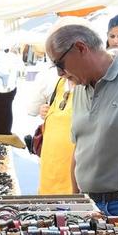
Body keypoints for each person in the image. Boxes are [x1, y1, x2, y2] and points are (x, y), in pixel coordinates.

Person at [47, 22, 118, 221]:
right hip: (89, 205)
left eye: (59, 65)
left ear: (80, 48)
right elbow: (79, 147)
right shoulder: (80, 85)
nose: (60, 74)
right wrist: (76, 198)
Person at [25, 56, 77, 196]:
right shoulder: (59, 83)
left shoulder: (87, 87)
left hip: (71, 177)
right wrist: (46, 111)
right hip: (50, 172)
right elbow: (33, 110)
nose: (60, 72)